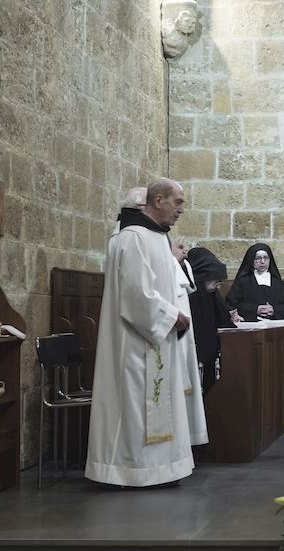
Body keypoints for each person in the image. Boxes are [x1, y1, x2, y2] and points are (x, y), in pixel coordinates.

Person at [86, 178, 208, 487]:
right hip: (135, 343)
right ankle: (135, 470)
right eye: (177, 202)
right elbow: (135, 295)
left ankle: (159, 469)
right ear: (157, 201)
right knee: (136, 406)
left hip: (156, 339)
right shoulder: (133, 238)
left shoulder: (156, 238)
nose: (181, 209)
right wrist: (172, 316)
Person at [184, 247, 234, 394]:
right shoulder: (193, 296)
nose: (219, 285)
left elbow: (223, 318)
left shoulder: (212, 294)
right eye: (217, 280)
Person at [226, 243, 284, 321]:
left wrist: (274, 310)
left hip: (274, 326)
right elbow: (232, 304)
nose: (262, 261)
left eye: (266, 258)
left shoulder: (277, 282)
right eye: (258, 258)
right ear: (251, 260)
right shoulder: (243, 281)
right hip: (250, 324)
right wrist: (255, 309)